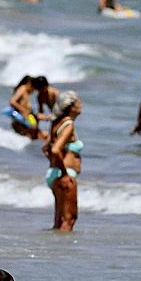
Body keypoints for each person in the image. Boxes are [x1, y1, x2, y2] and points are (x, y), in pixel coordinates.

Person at [45, 91, 83, 231]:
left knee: (59, 221)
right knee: (69, 219)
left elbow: (46, 148)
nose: (81, 105)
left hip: (55, 173)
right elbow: (55, 150)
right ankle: (63, 246)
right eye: (78, 102)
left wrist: (55, 165)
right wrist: (65, 173)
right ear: (70, 107)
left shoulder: (56, 123)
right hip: (65, 175)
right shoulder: (68, 124)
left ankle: (55, 244)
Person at [5, 75, 50, 140]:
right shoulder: (22, 89)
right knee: (43, 135)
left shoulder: (26, 92)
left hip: (28, 118)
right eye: (33, 87)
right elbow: (12, 101)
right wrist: (24, 110)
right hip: (22, 120)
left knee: (42, 134)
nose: (33, 90)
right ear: (28, 84)